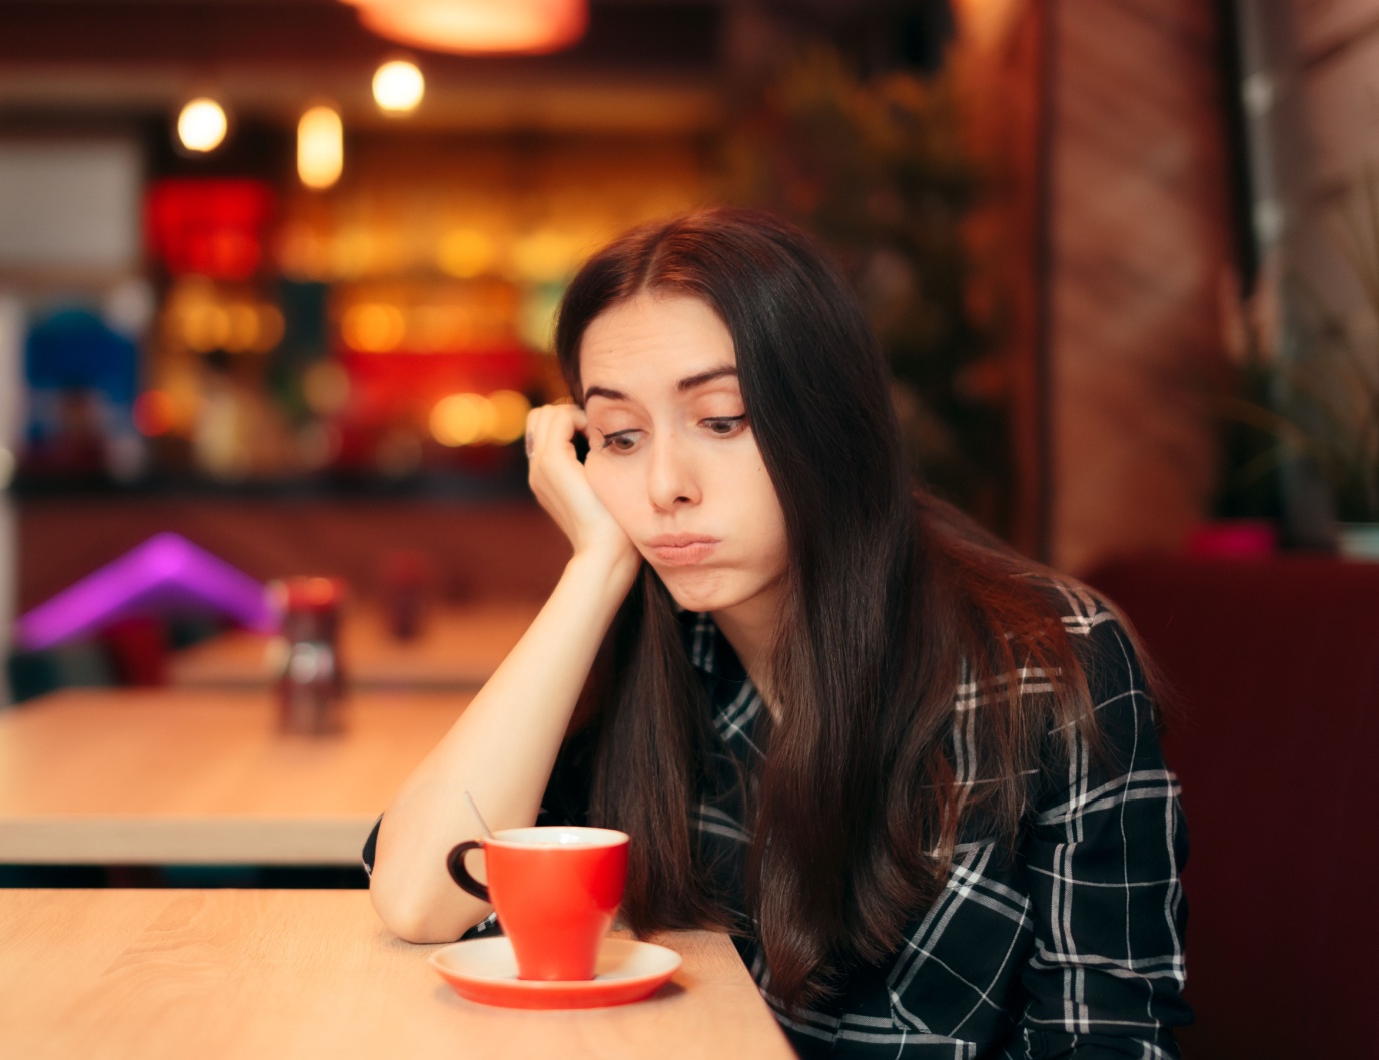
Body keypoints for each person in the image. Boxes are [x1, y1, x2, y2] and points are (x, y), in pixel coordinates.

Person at [365, 208, 1189, 1058]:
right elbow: (422, 899)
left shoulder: (1050, 666)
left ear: (828, 422)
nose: (664, 485)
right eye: (618, 436)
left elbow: (1108, 1037)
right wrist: (596, 570)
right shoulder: (649, 650)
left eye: (722, 420)